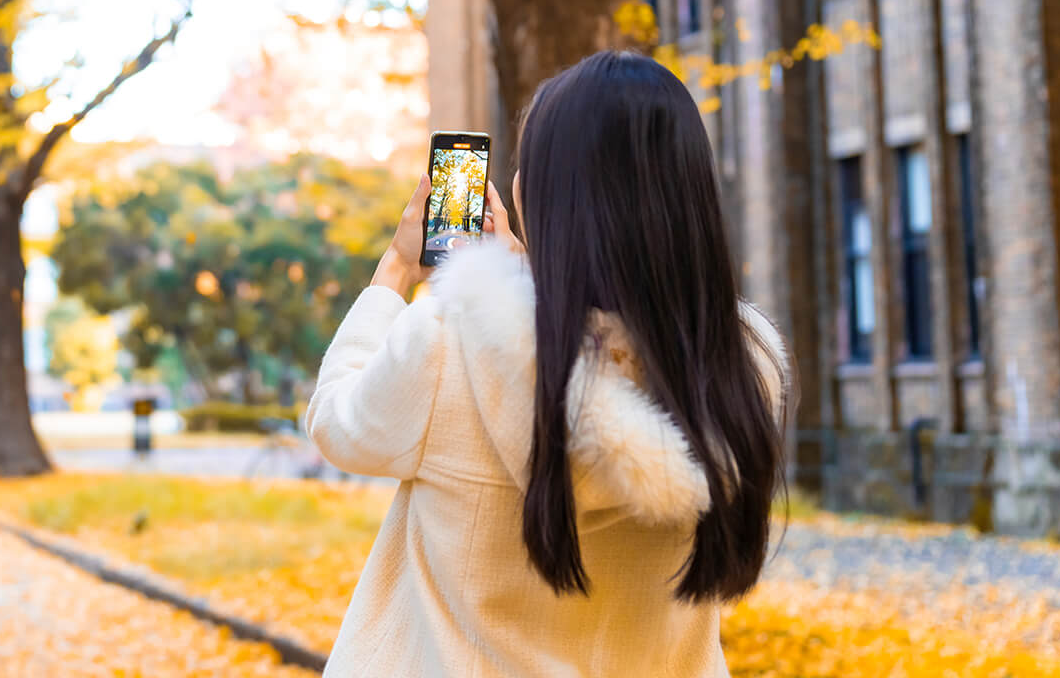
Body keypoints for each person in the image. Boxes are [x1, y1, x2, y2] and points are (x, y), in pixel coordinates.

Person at [303, 51, 789, 677]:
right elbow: (603, 342)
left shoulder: (452, 338)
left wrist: (395, 270)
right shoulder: (742, 363)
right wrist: (523, 281)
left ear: (541, 194)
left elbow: (338, 423)